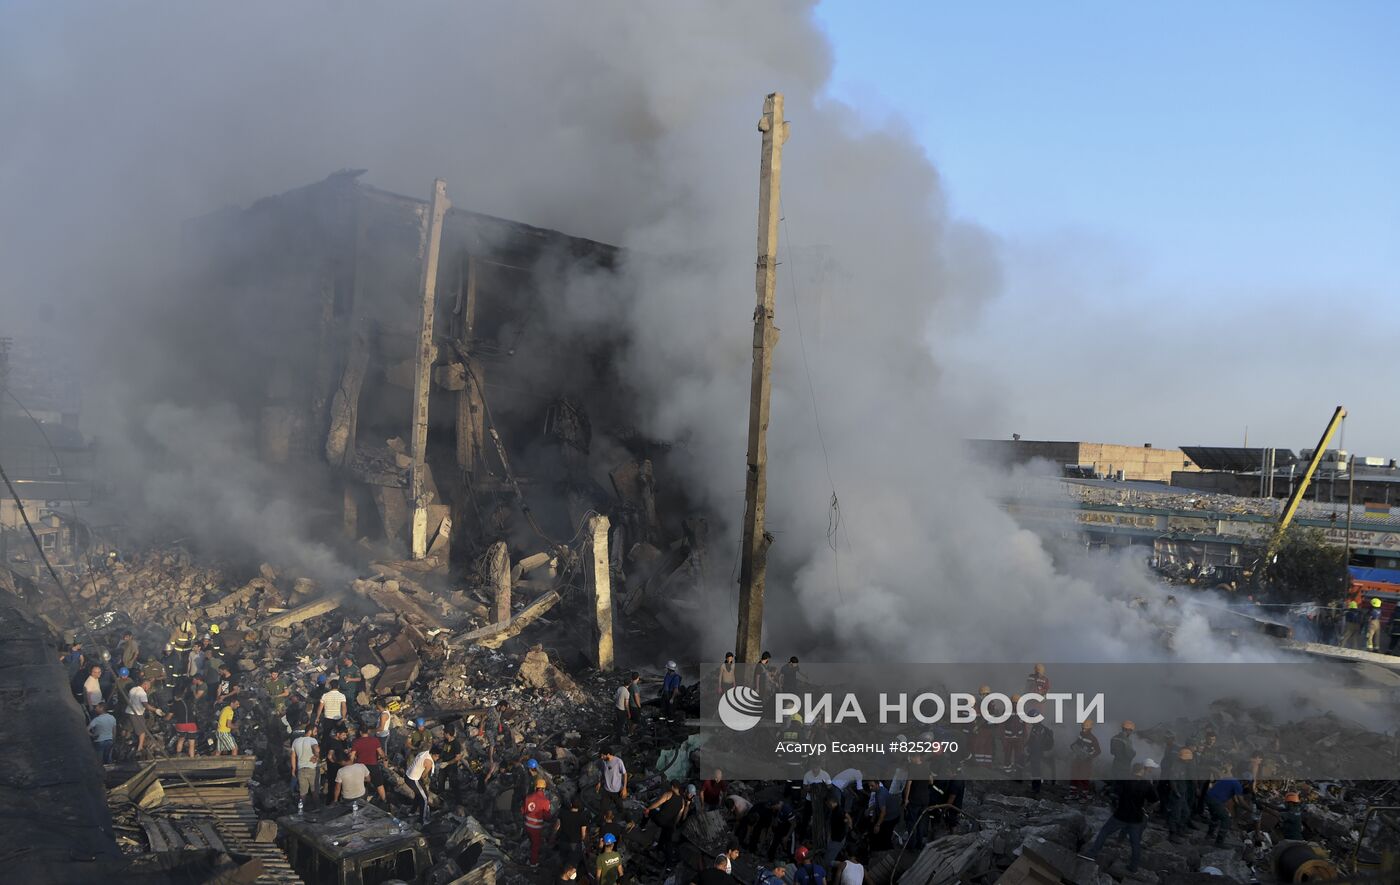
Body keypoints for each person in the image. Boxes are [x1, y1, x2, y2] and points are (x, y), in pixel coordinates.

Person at [1085, 764, 1158, 873]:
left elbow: (1113, 795)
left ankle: (1092, 854)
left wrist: (1114, 806)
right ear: (1142, 771)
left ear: (1133, 771)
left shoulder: (1125, 781)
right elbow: (1156, 801)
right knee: (1135, 843)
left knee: (1104, 832)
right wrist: (1146, 810)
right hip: (1136, 818)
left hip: (1120, 815)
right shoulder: (1147, 784)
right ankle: (1133, 867)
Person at [644, 779, 688, 865]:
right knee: (668, 841)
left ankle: (642, 827)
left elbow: (658, 803)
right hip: (670, 824)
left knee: (650, 812)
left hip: (660, 819)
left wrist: (648, 809)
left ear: (672, 787)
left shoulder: (669, 794)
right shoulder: (682, 801)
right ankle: (668, 863)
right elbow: (679, 815)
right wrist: (674, 825)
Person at [1205, 768, 1245, 847]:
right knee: (1226, 819)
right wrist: (1251, 810)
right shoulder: (1238, 785)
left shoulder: (1230, 779)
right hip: (1215, 800)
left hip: (1209, 797)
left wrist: (1236, 804)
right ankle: (1219, 842)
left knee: (1215, 816)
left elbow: (1234, 798)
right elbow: (1241, 802)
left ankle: (1209, 834)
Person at [127, 677, 165, 756]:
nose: (148, 689)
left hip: (129, 712)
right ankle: (139, 748)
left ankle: (126, 742)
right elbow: (146, 705)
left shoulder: (132, 689)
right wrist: (156, 710)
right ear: (145, 684)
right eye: (148, 686)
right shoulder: (142, 693)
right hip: (137, 714)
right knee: (142, 732)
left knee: (129, 729)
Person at [1165, 747, 1196, 842]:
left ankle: (1180, 830)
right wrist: (1176, 792)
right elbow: (1172, 781)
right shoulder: (1176, 766)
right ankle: (1172, 834)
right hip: (1177, 794)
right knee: (1175, 815)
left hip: (1183, 793)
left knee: (1186, 812)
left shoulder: (1184, 765)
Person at [552, 792, 589, 871]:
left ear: (571, 804)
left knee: (562, 861)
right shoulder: (582, 817)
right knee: (572, 865)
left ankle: (560, 875)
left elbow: (557, 827)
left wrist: (553, 837)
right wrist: (585, 845)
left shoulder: (563, 813)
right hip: (575, 844)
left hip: (563, 841)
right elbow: (583, 834)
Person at [351, 727, 388, 803]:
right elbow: (381, 753)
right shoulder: (375, 740)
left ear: (360, 732)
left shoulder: (356, 742)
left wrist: (350, 766)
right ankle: (384, 800)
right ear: (367, 732)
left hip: (360, 766)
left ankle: (360, 801)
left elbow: (352, 756)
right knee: (379, 784)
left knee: (361, 783)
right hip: (373, 765)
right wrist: (385, 758)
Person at [521, 777, 552, 867]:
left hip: (527, 825)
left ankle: (527, 857)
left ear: (535, 787)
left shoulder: (528, 797)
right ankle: (533, 863)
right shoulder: (545, 801)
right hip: (536, 828)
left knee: (530, 842)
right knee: (535, 845)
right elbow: (547, 817)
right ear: (544, 789)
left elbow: (523, 811)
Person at [1069, 719, 1101, 801]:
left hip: (1086, 761)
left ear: (1090, 729)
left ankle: (1084, 796)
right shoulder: (1081, 736)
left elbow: (1098, 751)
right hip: (1078, 758)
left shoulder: (1093, 739)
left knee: (1084, 777)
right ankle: (1073, 793)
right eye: (1082, 728)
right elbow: (1076, 743)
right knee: (1074, 775)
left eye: (1085, 729)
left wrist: (1089, 756)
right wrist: (1073, 746)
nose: (1083, 730)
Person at [1025, 706, 1055, 794]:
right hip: (1035, 753)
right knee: (1035, 770)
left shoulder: (1039, 729)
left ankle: (1036, 789)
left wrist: (1031, 750)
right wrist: (1027, 746)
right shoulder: (1036, 728)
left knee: (1036, 771)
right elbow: (1031, 740)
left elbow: (1037, 743)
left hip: (1037, 753)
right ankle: (1035, 787)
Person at [407, 745, 439, 824]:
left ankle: (412, 812)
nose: (437, 759)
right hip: (413, 779)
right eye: (437, 757)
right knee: (424, 798)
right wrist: (425, 783)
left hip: (408, 775)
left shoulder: (424, 753)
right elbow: (424, 776)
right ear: (434, 755)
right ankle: (423, 820)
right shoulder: (429, 762)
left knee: (419, 795)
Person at [290, 728, 320, 806]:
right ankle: (318, 809)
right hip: (312, 769)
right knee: (314, 791)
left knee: (303, 793)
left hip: (301, 770)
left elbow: (293, 756)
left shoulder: (295, 741)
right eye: (315, 731)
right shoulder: (312, 740)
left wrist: (293, 769)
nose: (316, 733)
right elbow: (316, 749)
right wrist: (316, 756)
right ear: (310, 731)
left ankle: (301, 810)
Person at [314, 678, 347, 744]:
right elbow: (344, 707)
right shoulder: (342, 696)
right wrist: (343, 718)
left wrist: (317, 717)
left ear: (330, 686)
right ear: (338, 686)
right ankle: (342, 748)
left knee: (326, 736)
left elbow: (320, 707)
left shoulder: (325, 695)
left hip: (327, 719)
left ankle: (325, 749)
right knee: (342, 735)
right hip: (338, 719)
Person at [597, 749, 628, 814]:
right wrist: (599, 782)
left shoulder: (618, 761)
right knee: (602, 809)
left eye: (603, 756)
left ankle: (625, 821)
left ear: (608, 754)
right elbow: (602, 772)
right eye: (601, 756)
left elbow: (625, 774)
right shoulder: (603, 762)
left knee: (620, 808)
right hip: (606, 790)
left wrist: (624, 788)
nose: (601, 757)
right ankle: (601, 822)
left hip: (616, 791)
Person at [172, 689, 201, 757]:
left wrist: (164, 718)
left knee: (181, 740)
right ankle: (192, 758)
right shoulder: (188, 703)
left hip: (181, 725)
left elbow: (169, 716)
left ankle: (178, 757)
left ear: (175, 696)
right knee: (192, 743)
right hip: (192, 725)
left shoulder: (175, 704)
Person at [613, 675, 633, 741]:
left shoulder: (620, 688)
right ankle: (620, 737)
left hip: (617, 708)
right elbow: (626, 704)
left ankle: (617, 735)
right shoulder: (627, 693)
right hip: (622, 710)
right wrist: (629, 713)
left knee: (618, 723)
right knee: (621, 724)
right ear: (629, 684)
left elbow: (615, 697)